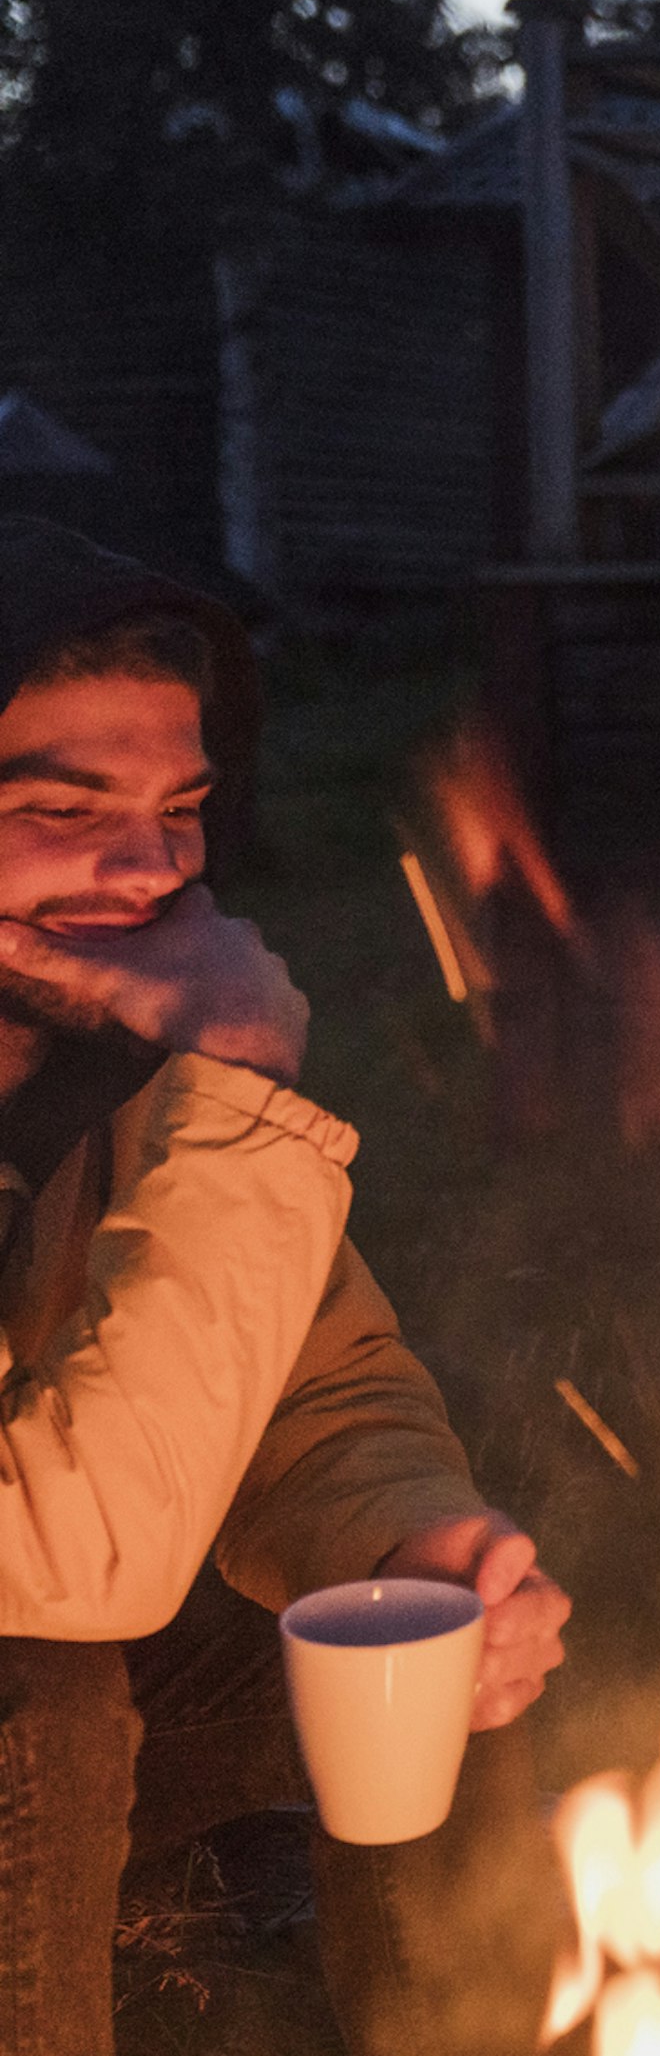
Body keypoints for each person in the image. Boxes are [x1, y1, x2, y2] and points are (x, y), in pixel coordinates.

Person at [0, 518, 569, 2056]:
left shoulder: (102, 1065)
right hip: (33, 1672)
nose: (152, 866)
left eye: (181, 807)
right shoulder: (195, 1053)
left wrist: (397, 1524)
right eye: (64, 808)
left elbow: (312, 1385)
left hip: (81, 1621)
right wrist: (244, 1075)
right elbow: (61, 1561)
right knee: (29, 1703)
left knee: (421, 1633)